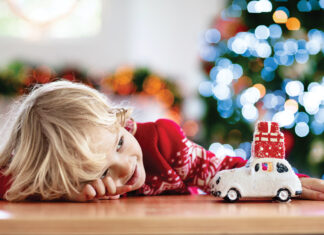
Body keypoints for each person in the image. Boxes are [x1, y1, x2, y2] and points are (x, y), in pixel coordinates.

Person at [0, 80, 323, 202]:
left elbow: (229, 171)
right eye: (99, 172)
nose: (125, 167)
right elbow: (10, 182)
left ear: (123, 123)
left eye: (119, 145)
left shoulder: (163, 143)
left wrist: (293, 183)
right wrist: (64, 191)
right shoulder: (55, 179)